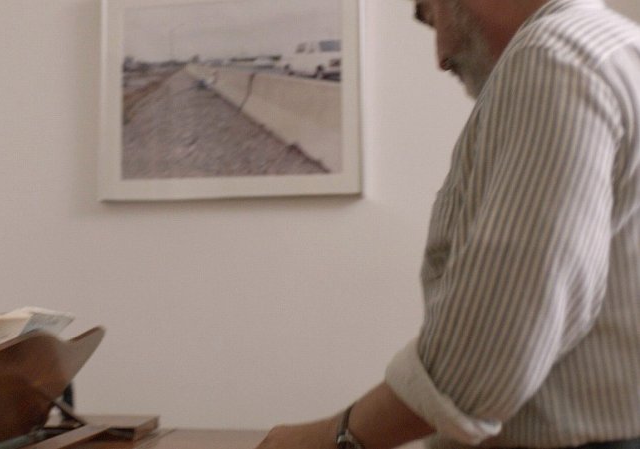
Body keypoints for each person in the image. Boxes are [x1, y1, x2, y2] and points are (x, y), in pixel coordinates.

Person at [254, 1, 640, 448]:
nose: (440, 57)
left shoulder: (555, 58)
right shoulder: (618, 47)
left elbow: (488, 349)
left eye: (431, 16)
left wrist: (328, 439)